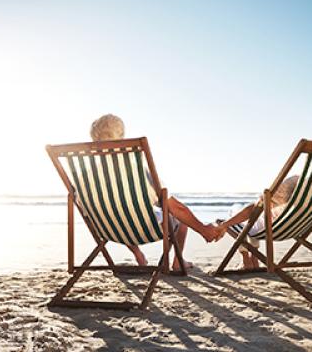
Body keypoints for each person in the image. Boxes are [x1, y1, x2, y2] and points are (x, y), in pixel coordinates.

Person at [90, 114, 224, 271]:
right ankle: (177, 261)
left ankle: (138, 255)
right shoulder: (136, 171)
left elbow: (86, 208)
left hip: (110, 230)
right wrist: (203, 230)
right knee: (178, 218)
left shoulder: (86, 176)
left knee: (117, 213)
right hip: (146, 228)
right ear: (122, 137)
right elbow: (174, 207)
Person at [217, 132, 312, 269]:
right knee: (254, 215)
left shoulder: (299, 181)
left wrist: (223, 226)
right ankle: (253, 256)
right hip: (299, 226)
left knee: (237, 209)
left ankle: (246, 258)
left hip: (273, 228)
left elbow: (256, 208)